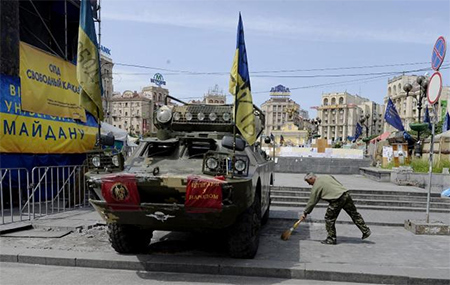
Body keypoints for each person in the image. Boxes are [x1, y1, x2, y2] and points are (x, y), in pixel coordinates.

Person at [300, 172, 371, 245]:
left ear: (311, 178)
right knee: (354, 214)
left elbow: (312, 202)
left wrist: (305, 212)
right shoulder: (327, 176)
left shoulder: (316, 186)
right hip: (345, 194)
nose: (309, 184)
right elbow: (337, 183)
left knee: (329, 218)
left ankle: (331, 239)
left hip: (336, 199)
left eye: (308, 182)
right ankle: (365, 230)